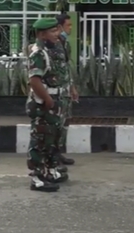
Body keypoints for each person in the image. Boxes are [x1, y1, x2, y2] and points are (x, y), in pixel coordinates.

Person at [26, 18, 68, 192]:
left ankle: (49, 171)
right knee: (40, 139)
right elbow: (34, 81)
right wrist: (48, 100)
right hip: (43, 102)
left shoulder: (52, 50)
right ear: (42, 34)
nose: (57, 35)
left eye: (57, 31)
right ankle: (37, 177)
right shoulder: (38, 52)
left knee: (53, 138)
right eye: (52, 32)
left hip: (56, 100)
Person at [53, 13, 78, 167]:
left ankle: (59, 152)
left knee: (64, 122)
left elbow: (66, 67)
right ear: (60, 27)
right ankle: (52, 154)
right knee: (55, 123)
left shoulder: (65, 44)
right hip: (55, 91)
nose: (70, 28)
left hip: (65, 89)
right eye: (68, 25)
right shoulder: (53, 44)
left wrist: (72, 87)